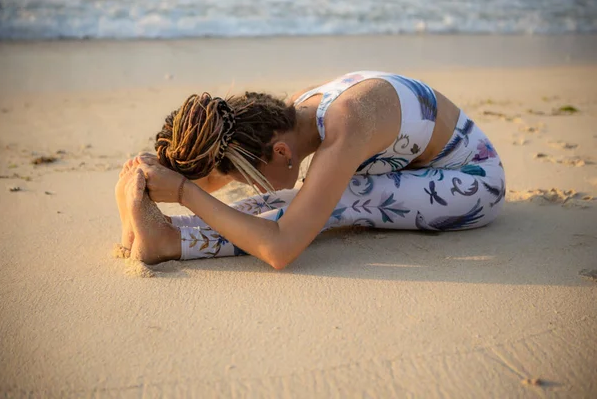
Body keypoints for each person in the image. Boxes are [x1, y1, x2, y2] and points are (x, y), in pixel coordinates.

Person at [115, 71, 505, 269]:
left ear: (281, 151)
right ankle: (157, 228)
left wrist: (185, 193)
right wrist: (152, 179)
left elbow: (281, 248)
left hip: (474, 180)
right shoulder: (290, 117)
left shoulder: (346, 124)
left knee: (341, 198)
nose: (240, 184)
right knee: (291, 201)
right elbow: (215, 174)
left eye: (245, 174)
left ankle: (171, 241)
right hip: (418, 173)